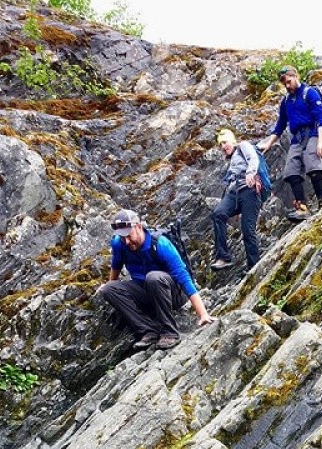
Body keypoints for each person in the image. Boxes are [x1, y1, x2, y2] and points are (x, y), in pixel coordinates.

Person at [99, 209, 214, 350]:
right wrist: (114, 288)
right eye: (123, 238)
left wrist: (203, 314)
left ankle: (170, 333)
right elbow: (116, 266)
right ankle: (148, 330)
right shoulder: (119, 244)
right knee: (108, 289)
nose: (127, 241)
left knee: (153, 277)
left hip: (173, 293)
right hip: (145, 289)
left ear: (139, 226)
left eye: (129, 235)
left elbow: (184, 278)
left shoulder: (160, 244)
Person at [257, 66, 322, 222]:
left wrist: (321, 142)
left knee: (313, 166)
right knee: (290, 171)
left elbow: (320, 118)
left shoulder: (309, 93)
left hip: (313, 133)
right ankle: (302, 207)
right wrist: (268, 144)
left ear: (296, 76)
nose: (287, 86)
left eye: (289, 82)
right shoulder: (286, 101)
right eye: (285, 84)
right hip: (297, 139)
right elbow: (280, 125)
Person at [211, 129, 263, 273]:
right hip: (235, 193)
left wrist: (250, 173)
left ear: (232, 141)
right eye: (220, 144)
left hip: (249, 190)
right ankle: (223, 257)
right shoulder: (231, 159)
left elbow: (253, 158)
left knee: (247, 230)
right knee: (218, 213)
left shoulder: (243, 146)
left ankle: (254, 267)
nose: (223, 146)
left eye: (225, 142)